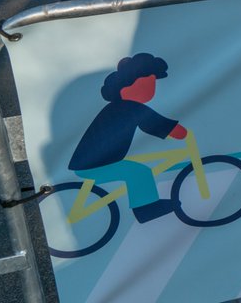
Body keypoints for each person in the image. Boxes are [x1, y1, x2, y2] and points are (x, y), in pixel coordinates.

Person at [68, 53, 187, 223]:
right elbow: (156, 124)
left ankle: (146, 207)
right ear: (124, 87)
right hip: (93, 165)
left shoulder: (122, 107)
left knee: (135, 170)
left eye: (152, 84)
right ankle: (147, 210)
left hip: (94, 161)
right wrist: (181, 132)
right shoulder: (129, 108)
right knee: (138, 172)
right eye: (147, 84)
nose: (151, 89)